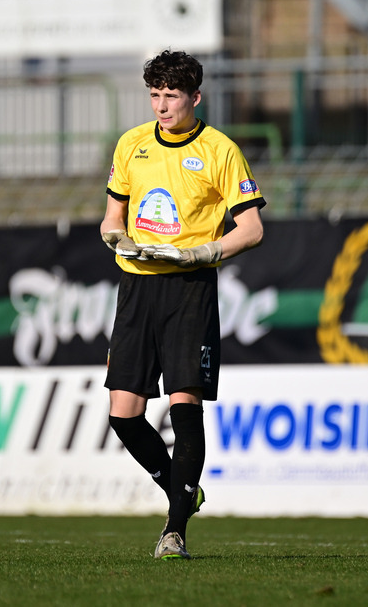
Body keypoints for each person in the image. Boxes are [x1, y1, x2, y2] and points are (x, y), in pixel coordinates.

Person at [100, 49, 265, 559]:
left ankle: (174, 531)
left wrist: (204, 251)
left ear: (195, 97)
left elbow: (253, 228)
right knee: (123, 415)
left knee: (183, 405)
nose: (162, 106)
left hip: (189, 289)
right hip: (137, 288)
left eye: (172, 96)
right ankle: (182, 487)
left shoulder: (220, 150)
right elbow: (111, 219)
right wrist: (117, 240)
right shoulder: (131, 145)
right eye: (155, 95)